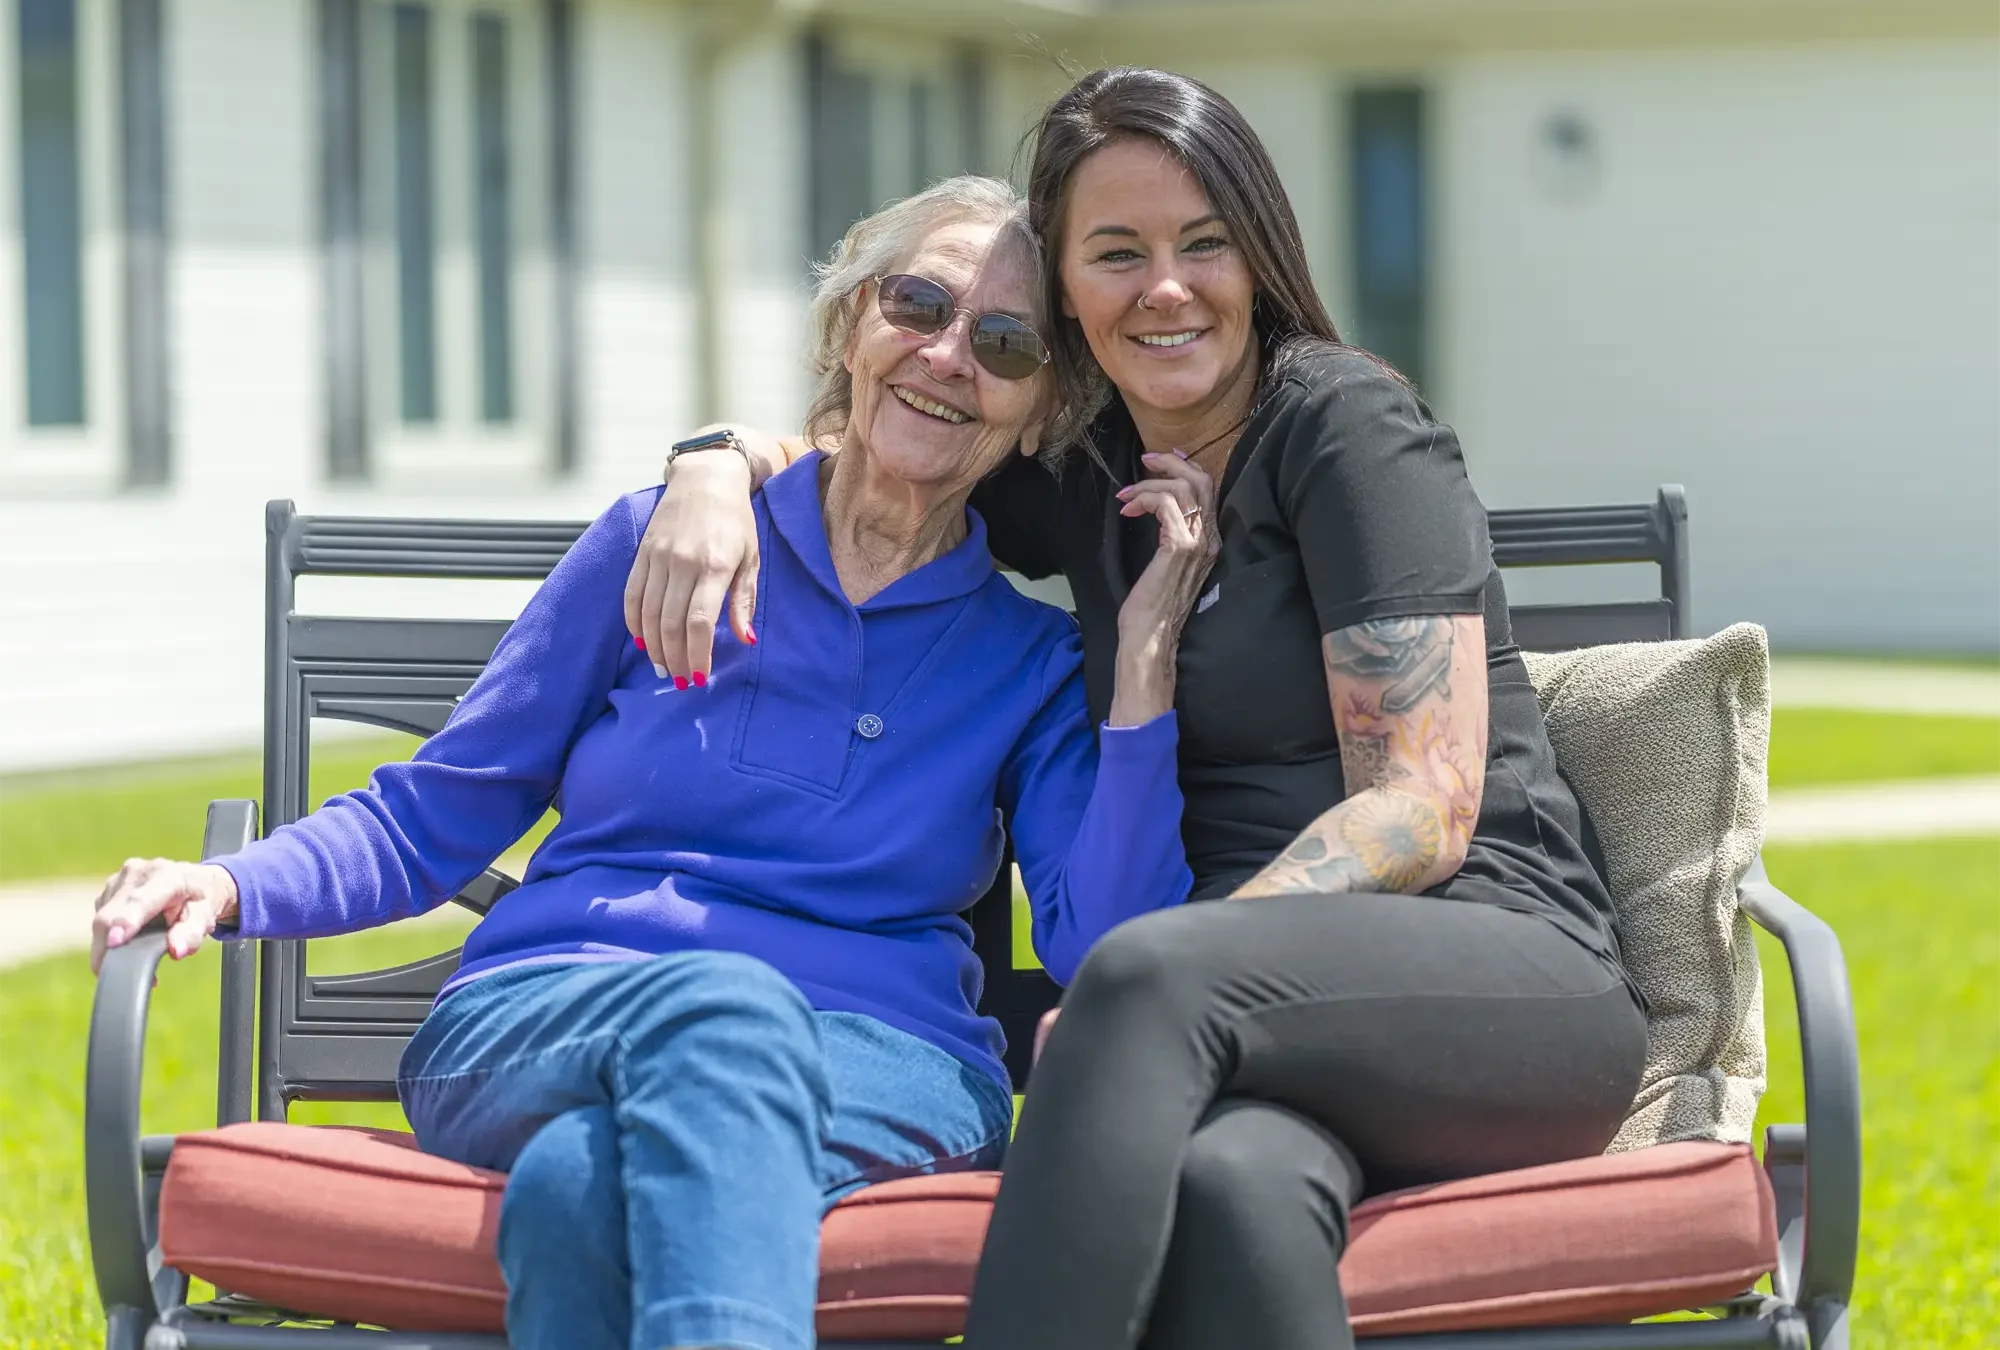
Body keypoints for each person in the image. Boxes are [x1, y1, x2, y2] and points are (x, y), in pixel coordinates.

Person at [87, 175, 1215, 1350]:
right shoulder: (663, 544)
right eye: (916, 304)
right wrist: (230, 881)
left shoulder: (1025, 661)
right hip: (546, 1013)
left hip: (884, 1063)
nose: (944, 355)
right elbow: (434, 812)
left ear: (1040, 411)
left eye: (1002, 342)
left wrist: (1141, 669)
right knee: (723, 1016)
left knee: (578, 1183)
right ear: (851, 324)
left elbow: (1103, 942)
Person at [619, 68, 1650, 1350]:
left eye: (1202, 244)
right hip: (1255, 1029)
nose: (1165, 288)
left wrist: (1176, 969)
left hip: (1500, 978)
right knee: (1233, 1189)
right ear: (1062, 292)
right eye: (1115, 253)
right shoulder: (1088, 477)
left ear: (1257, 256)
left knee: (1141, 975)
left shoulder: (1344, 429)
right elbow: (889, 447)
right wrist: (712, 464)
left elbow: (1423, 807)